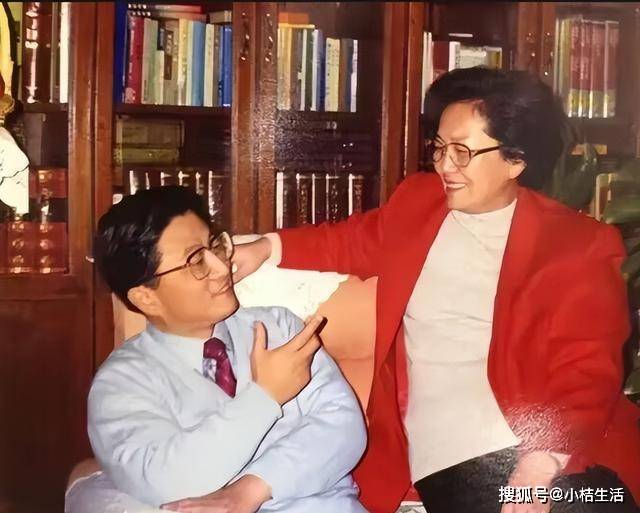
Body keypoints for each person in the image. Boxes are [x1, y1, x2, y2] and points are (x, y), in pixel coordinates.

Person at [232, 67, 640, 513]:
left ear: (516, 160)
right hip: (461, 459)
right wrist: (264, 247)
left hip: (563, 452)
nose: (445, 165)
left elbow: (587, 368)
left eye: (462, 151)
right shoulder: (419, 203)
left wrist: (540, 466)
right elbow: (348, 240)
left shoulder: (578, 244)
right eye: (440, 148)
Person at [76, 186, 367, 513]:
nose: (221, 267)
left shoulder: (278, 328)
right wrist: (265, 397)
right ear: (146, 298)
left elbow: (344, 427)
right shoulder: (123, 383)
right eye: (196, 261)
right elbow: (166, 478)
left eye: (215, 245)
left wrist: (252, 488)